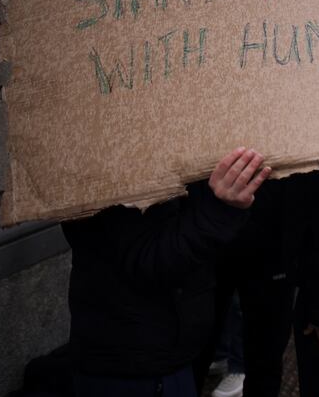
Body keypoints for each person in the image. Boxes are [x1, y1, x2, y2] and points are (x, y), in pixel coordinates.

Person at [63, 147, 270, 397]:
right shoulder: (106, 148)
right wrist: (222, 208)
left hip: (161, 354)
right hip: (135, 363)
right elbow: (150, 261)